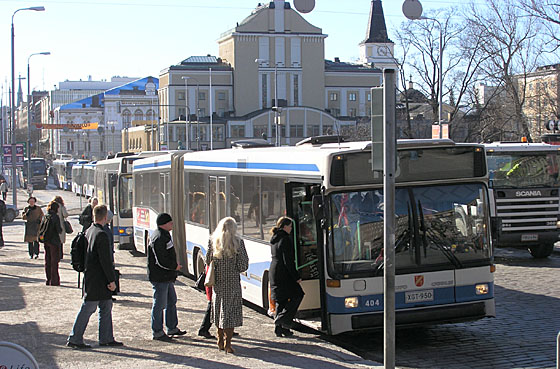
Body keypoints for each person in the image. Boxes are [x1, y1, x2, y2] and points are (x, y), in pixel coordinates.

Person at [67, 204, 122, 349]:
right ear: (105, 218)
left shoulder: (89, 230)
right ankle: (75, 338)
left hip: (91, 276)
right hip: (99, 279)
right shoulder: (102, 234)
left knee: (105, 306)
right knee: (89, 307)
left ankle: (106, 338)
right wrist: (111, 280)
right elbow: (105, 260)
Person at [205, 217, 249, 354]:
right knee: (230, 314)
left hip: (218, 283)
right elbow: (243, 265)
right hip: (233, 284)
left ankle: (219, 339)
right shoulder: (238, 243)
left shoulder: (213, 242)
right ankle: (228, 343)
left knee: (219, 311)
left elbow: (207, 260)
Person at [147, 213, 186, 341]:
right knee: (159, 304)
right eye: (170, 223)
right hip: (161, 276)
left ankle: (172, 327)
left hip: (166, 276)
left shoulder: (162, 235)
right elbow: (161, 260)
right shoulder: (159, 237)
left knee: (171, 300)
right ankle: (157, 331)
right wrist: (174, 266)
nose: (172, 224)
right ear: (164, 224)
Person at [269, 216, 304, 337]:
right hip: (284, 273)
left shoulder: (275, 238)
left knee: (281, 300)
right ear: (285, 226)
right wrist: (296, 277)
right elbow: (288, 261)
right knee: (298, 294)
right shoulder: (285, 239)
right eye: (290, 226)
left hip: (274, 271)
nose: (291, 229)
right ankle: (282, 318)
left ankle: (280, 329)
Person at [43, 201, 63, 286]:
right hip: (54, 241)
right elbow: (59, 230)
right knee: (54, 261)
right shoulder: (55, 217)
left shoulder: (46, 216)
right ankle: (54, 280)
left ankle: (48, 279)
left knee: (47, 260)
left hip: (46, 240)